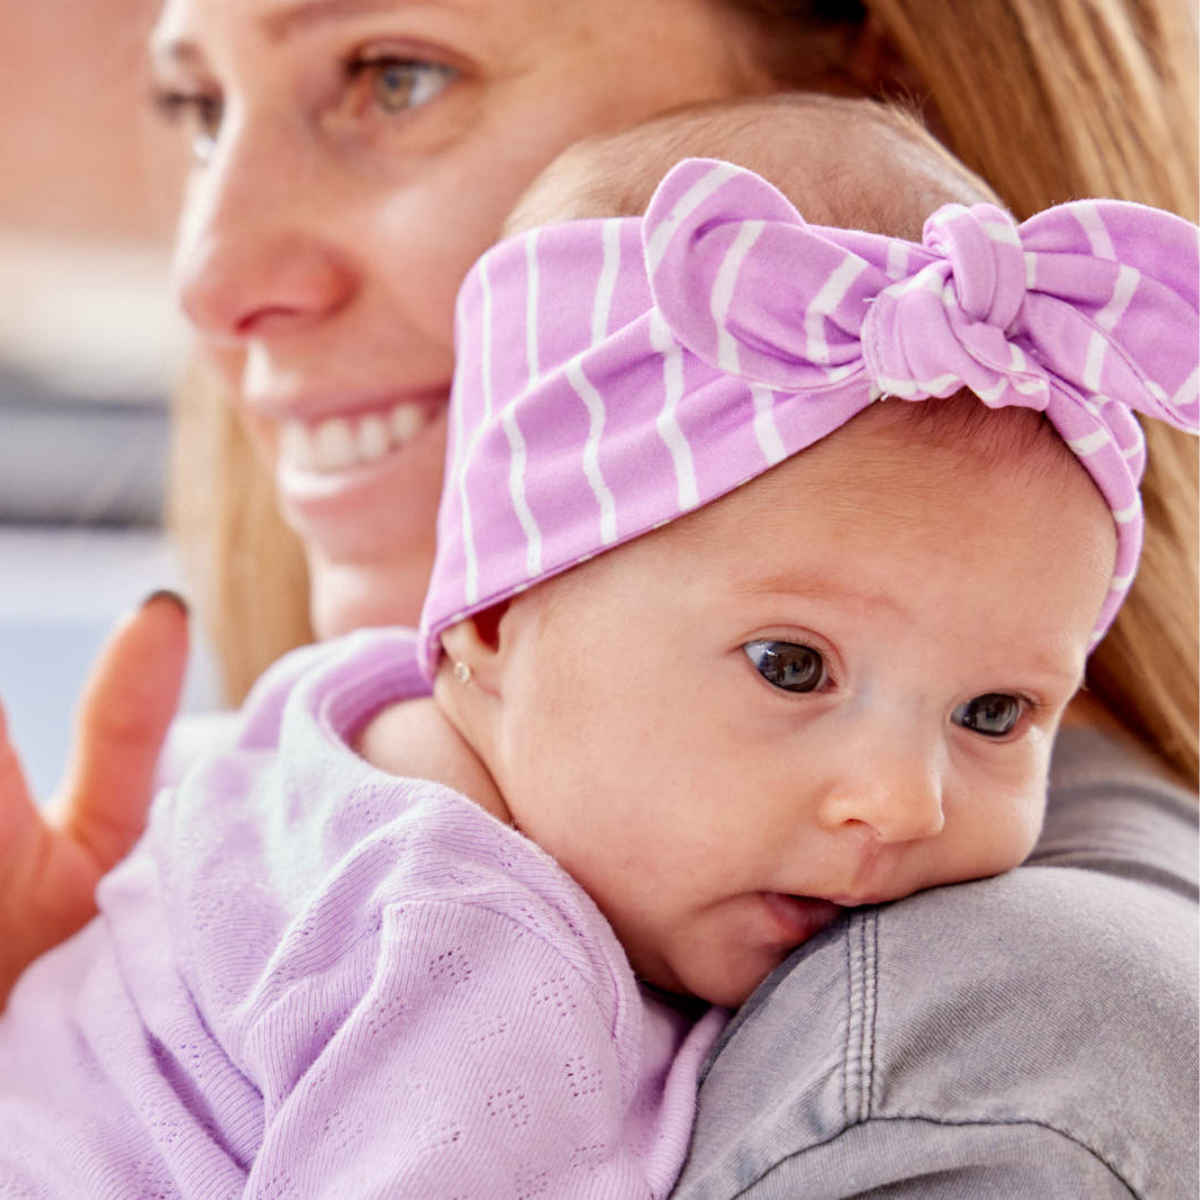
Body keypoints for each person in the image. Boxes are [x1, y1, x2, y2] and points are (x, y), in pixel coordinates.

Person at [0, 0, 1195, 1192]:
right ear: (493, 616)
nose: (900, 803)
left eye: (994, 714)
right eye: (791, 666)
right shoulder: (486, 968)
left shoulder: (316, 746)